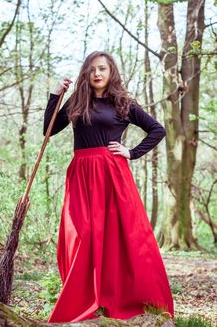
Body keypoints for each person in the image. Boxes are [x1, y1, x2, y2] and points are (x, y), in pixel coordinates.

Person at [43, 51, 174, 323]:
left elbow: (157, 130)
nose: (97, 74)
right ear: (85, 74)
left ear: (111, 71)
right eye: (91, 70)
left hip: (113, 174)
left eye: (102, 68)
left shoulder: (123, 103)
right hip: (81, 173)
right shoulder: (77, 101)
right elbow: (49, 130)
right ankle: (85, 297)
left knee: (121, 235)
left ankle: (124, 297)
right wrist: (56, 96)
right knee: (82, 234)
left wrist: (132, 152)